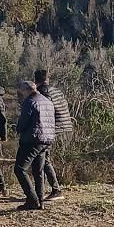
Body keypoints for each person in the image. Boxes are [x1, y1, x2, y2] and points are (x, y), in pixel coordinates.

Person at [13, 77, 56, 211]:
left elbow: (23, 122)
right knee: (38, 171)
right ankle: (40, 200)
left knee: (20, 169)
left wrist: (18, 129)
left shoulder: (29, 102)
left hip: (32, 139)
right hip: (46, 139)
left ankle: (32, 199)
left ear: (26, 91)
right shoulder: (47, 101)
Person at [33, 67, 69, 200]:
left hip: (53, 128)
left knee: (44, 159)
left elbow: (46, 110)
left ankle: (55, 189)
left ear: (35, 80)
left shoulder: (43, 92)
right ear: (47, 79)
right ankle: (49, 189)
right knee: (45, 158)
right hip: (65, 127)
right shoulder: (56, 90)